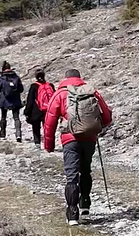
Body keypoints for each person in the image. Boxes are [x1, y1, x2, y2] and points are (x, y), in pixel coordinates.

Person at [43, 69, 113, 225]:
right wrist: (95, 126)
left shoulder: (60, 94)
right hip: (89, 138)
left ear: (65, 78)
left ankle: (72, 214)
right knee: (86, 170)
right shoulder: (91, 91)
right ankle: (85, 205)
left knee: (72, 175)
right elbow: (107, 117)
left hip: (70, 139)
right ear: (80, 78)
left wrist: (49, 145)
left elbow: (50, 121)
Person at [0, 61, 24, 142]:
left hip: (4, 101)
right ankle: (18, 135)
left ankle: (2, 134)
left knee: (3, 117)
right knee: (16, 118)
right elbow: (21, 89)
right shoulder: (16, 78)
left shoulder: (1, 79)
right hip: (15, 101)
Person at [24, 70, 55, 147]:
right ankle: (49, 145)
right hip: (48, 110)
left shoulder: (34, 86)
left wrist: (27, 112)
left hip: (36, 110)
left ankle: (37, 143)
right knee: (48, 128)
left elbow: (30, 100)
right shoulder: (50, 85)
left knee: (36, 127)